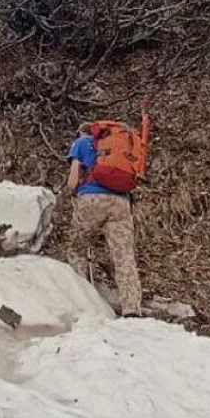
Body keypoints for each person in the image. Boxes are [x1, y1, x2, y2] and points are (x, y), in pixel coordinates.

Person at [65, 112, 148, 316]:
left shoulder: (82, 142)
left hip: (92, 198)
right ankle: (132, 308)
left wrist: (73, 191)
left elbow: (73, 179)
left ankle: (80, 302)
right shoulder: (118, 146)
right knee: (124, 256)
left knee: (76, 247)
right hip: (121, 202)